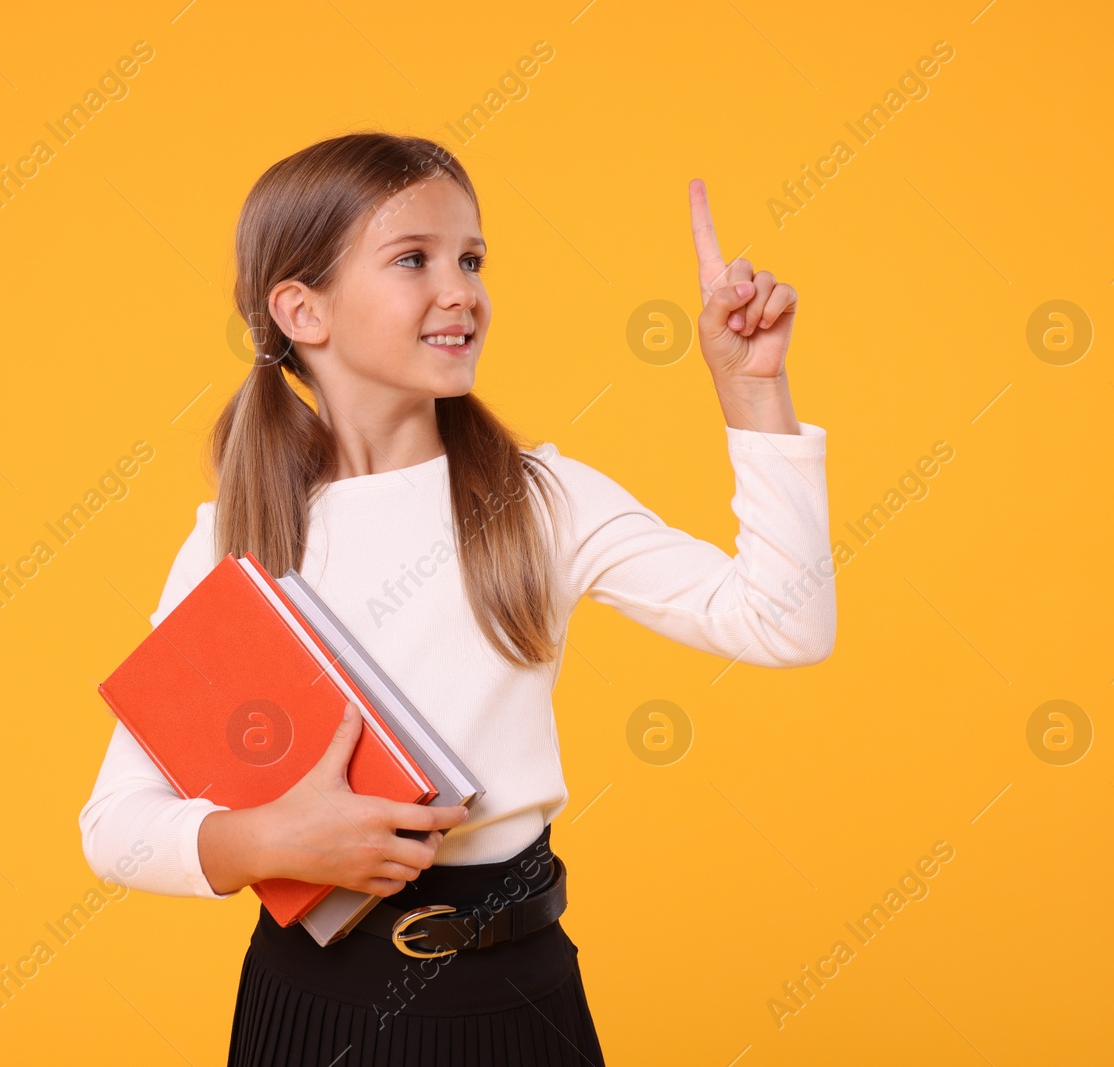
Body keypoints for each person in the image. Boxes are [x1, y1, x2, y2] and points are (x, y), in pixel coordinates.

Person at [79, 130, 837, 1066]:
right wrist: (275, 839)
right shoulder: (235, 541)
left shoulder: (541, 500)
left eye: (472, 258)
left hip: (517, 998)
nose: (461, 290)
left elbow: (785, 620)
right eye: (414, 260)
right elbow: (114, 828)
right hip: (309, 1005)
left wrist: (753, 393)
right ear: (301, 309)